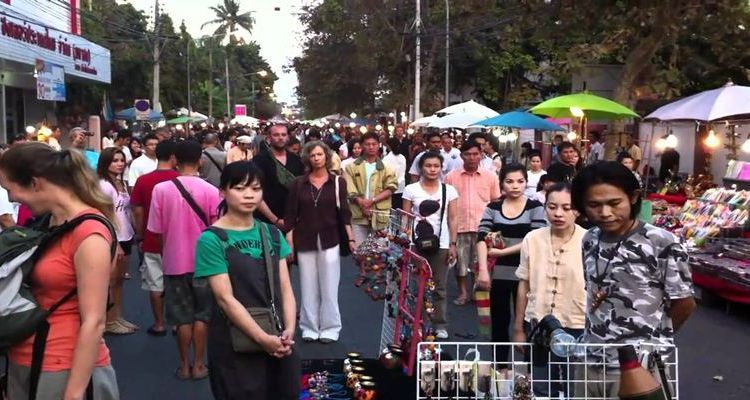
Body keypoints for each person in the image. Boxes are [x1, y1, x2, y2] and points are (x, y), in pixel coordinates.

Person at [0, 143, 119, 399]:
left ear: (35, 183)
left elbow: (94, 320)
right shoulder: (50, 222)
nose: (11, 199)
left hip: (61, 365)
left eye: (10, 189)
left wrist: (74, 393)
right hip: (26, 359)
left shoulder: (89, 234)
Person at [571, 161, 696, 398]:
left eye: (614, 203)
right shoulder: (589, 239)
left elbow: (685, 303)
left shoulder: (662, 242)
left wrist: (654, 341)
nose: (605, 212)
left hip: (640, 369)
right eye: (594, 205)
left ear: (633, 197)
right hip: (590, 361)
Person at [194, 161, 300, 399]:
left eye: (255, 188)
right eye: (240, 188)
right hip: (235, 341)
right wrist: (262, 339)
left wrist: (290, 329)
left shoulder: (272, 233)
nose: (249, 195)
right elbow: (224, 298)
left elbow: (285, 287)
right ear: (222, 191)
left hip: (277, 334)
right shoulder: (211, 239)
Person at [148, 140, 221, 381]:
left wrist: (165, 253)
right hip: (205, 263)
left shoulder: (161, 190)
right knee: (202, 315)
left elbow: (155, 231)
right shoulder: (211, 191)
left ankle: (184, 365)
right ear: (200, 160)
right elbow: (217, 230)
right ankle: (200, 364)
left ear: (174, 160)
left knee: (182, 317)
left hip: (173, 261)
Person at [513, 182, 586, 397]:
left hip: (576, 324)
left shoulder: (590, 240)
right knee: (539, 386)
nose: (558, 213)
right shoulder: (532, 239)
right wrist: (518, 328)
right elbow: (523, 284)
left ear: (578, 210)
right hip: (537, 324)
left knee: (574, 386)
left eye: (567, 207)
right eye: (552, 207)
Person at [476, 163, 546, 371]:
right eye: (509, 181)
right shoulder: (493, 208)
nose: (515, 186)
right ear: (501, 184)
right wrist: (482, 270)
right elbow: (481, 238)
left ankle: (527, 374)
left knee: (526, 323)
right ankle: (500, 370)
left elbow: (533, 240)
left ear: (526, 182)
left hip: (527, 275)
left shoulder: (535, 207)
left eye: (520, 181)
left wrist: (501, 252)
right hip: (498, 274)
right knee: (499, 323)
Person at [284, 141, 355, 343]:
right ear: (307, 158)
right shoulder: (298, 183)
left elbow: (344, 213)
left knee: (330, 285)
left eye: (319, 154)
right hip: (304, 239)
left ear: (326, 156)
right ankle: (309, 326)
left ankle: (331, 327)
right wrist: (289, 241)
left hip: (330, 238)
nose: (316, 158)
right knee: (307, 284)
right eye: (312, 155)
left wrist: (350, 238)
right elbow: (290, 215)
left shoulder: (338, 182)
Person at [402, 151, 459, 340]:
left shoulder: (449, 190)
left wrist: (453, 243)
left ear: (441, 167)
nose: (432, 169)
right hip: (416, 244)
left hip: (441, 243)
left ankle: (439, 324)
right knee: (418, 285)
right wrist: (406, 242)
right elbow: (406, 218)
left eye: (436, 166)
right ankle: (418, 323)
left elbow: (453, 218)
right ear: (421, 167)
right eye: (428, 165)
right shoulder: (411, 189)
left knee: (440, 286)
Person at [130, 140, 180, 336]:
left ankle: (159, 323)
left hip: (152, 238)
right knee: (177, 282)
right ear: (173, 157)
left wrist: (140, 235)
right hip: (177, 241)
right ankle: (178, 323)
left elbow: (138, 212)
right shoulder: (180, 179)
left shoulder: (143, 181)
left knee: (155, 282)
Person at [444, 140, 501, 306]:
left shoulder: (490, 176)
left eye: (475, 154)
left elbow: (495, 201)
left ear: (481, 155)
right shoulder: (451, 177)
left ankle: (479, 292)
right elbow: (447, 202)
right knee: (460, 262)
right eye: (467, 154)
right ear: (461, 156)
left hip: (483, 226)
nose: (471, 158)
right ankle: (463, 292)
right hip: (459, 225)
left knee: (481, 262)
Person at [97, 148, 137, 335]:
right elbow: (105, 214)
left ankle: (118, 316)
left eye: (121, 160)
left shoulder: (120, 182)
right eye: (115, 161)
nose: (120, 163)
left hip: (127, 235)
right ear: (106, 163)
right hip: (115, 238)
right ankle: (109, 320)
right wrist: (116, 242)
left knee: (119, 281)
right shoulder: (103, 185)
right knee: (111, 281)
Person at [344, 132, 398, 245]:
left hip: (380, 215)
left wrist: (371, 201)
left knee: (381, 255)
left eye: (374, 144)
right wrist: (362, 203)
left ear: (379, 145)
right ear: (362, 145)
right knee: (360, 254)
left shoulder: (387, 167)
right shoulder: (351, 167)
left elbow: (391, 188)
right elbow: (350, 190)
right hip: (358, 214)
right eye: (367, 144)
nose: (371, 147)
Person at [253, 124, 305, 229]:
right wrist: (275, 220)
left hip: (293, 220)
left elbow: (302, 190)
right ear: (269, 138)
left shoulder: (296, 160)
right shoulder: (259, 160)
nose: (280, 137)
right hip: (265, 221)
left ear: (288, 137)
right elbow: (254, 192)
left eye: (283, 134)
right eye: (276, 135)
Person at [383, 138, 407, 210]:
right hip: (401, 187)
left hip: (390, 187)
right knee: (398, 209)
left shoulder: (387, 159)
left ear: (389, 146)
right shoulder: (402, 157)